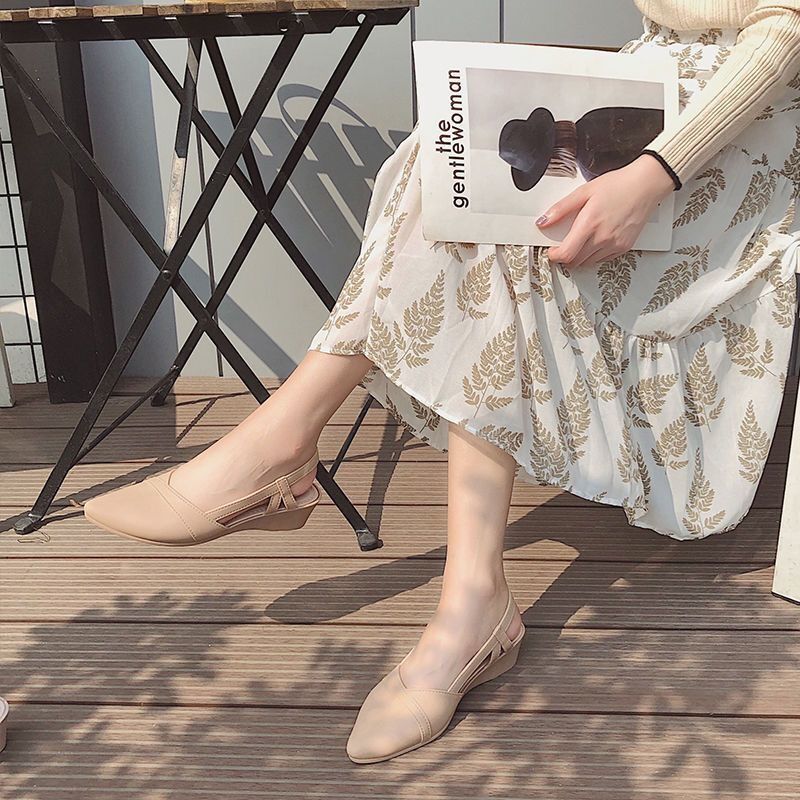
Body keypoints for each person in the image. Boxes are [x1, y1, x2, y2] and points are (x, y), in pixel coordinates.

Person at [82, 0, 800, 765]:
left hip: (745, 122)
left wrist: (656, 173)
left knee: (494, 218)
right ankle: (460, 592)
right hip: (645, 94)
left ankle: (294, 456)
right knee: (451, 168)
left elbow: (786, 26)